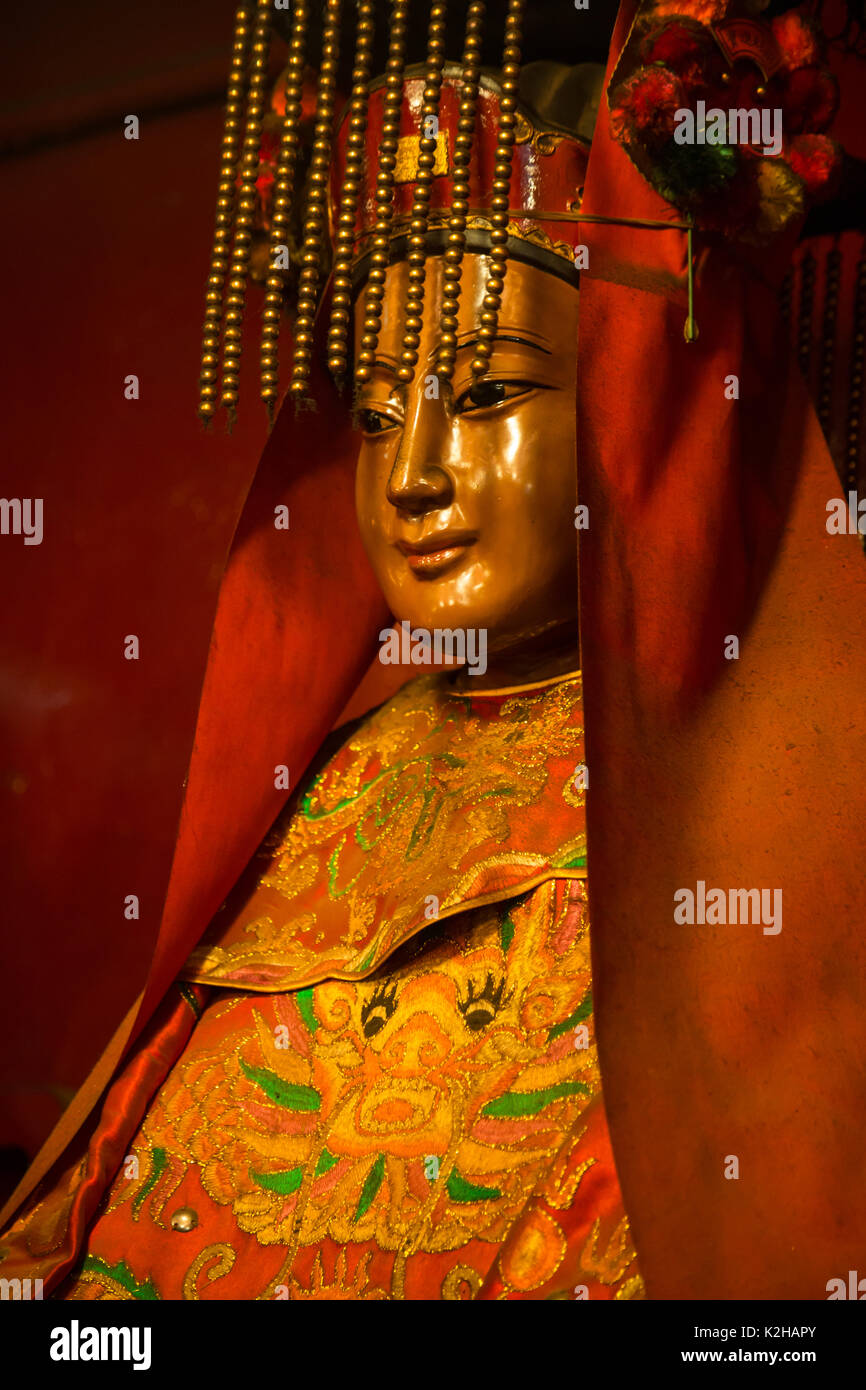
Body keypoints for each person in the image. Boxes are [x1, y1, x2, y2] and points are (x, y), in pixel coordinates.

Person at [2, 0, 866, 1301]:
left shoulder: (763, 808)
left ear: (631, 412)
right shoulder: (324, 790)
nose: (409, 473)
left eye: (486, 395)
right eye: (376, 409)